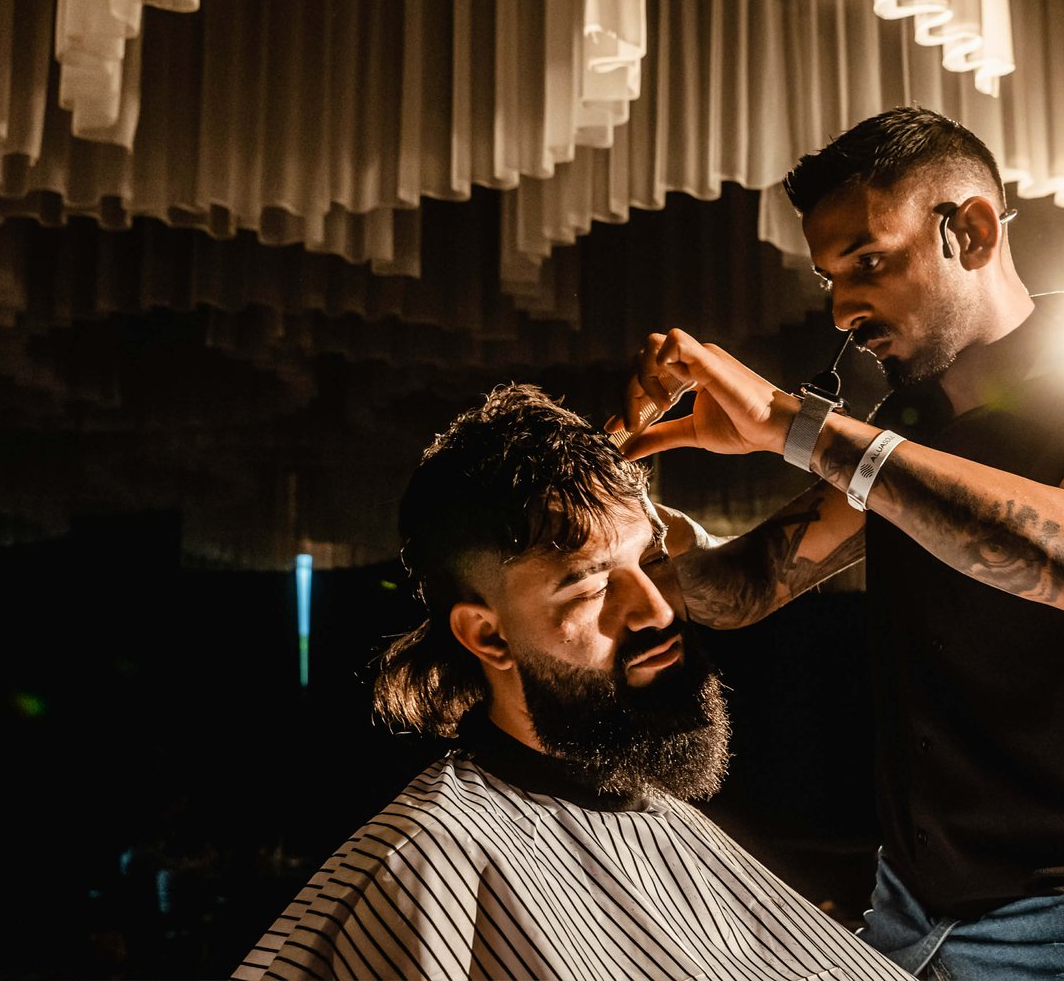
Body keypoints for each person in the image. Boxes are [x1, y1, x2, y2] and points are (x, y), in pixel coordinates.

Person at [612, 106, 1064, 979]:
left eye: (868, 261)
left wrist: (797, 426)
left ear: (970, 230)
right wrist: (641, 541)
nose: (843, 308)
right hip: (904, 918)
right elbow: (747, 589)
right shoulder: (904, 431)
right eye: (829, 278)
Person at [234, 384, 913, 981]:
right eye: (589, 587)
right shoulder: (430, 860)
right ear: (487, 635)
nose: (654, 608)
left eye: (650, 558)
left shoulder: (652, 811)